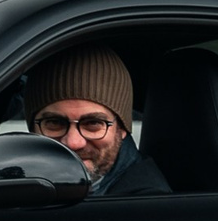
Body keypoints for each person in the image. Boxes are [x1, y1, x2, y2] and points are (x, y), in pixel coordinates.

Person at [24, 46, 168, 199]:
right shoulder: (15, 181)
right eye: (54, 123)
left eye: (92, 123)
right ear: (32, 128)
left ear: (122, 128)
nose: (73, 143)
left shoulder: (144, 209)